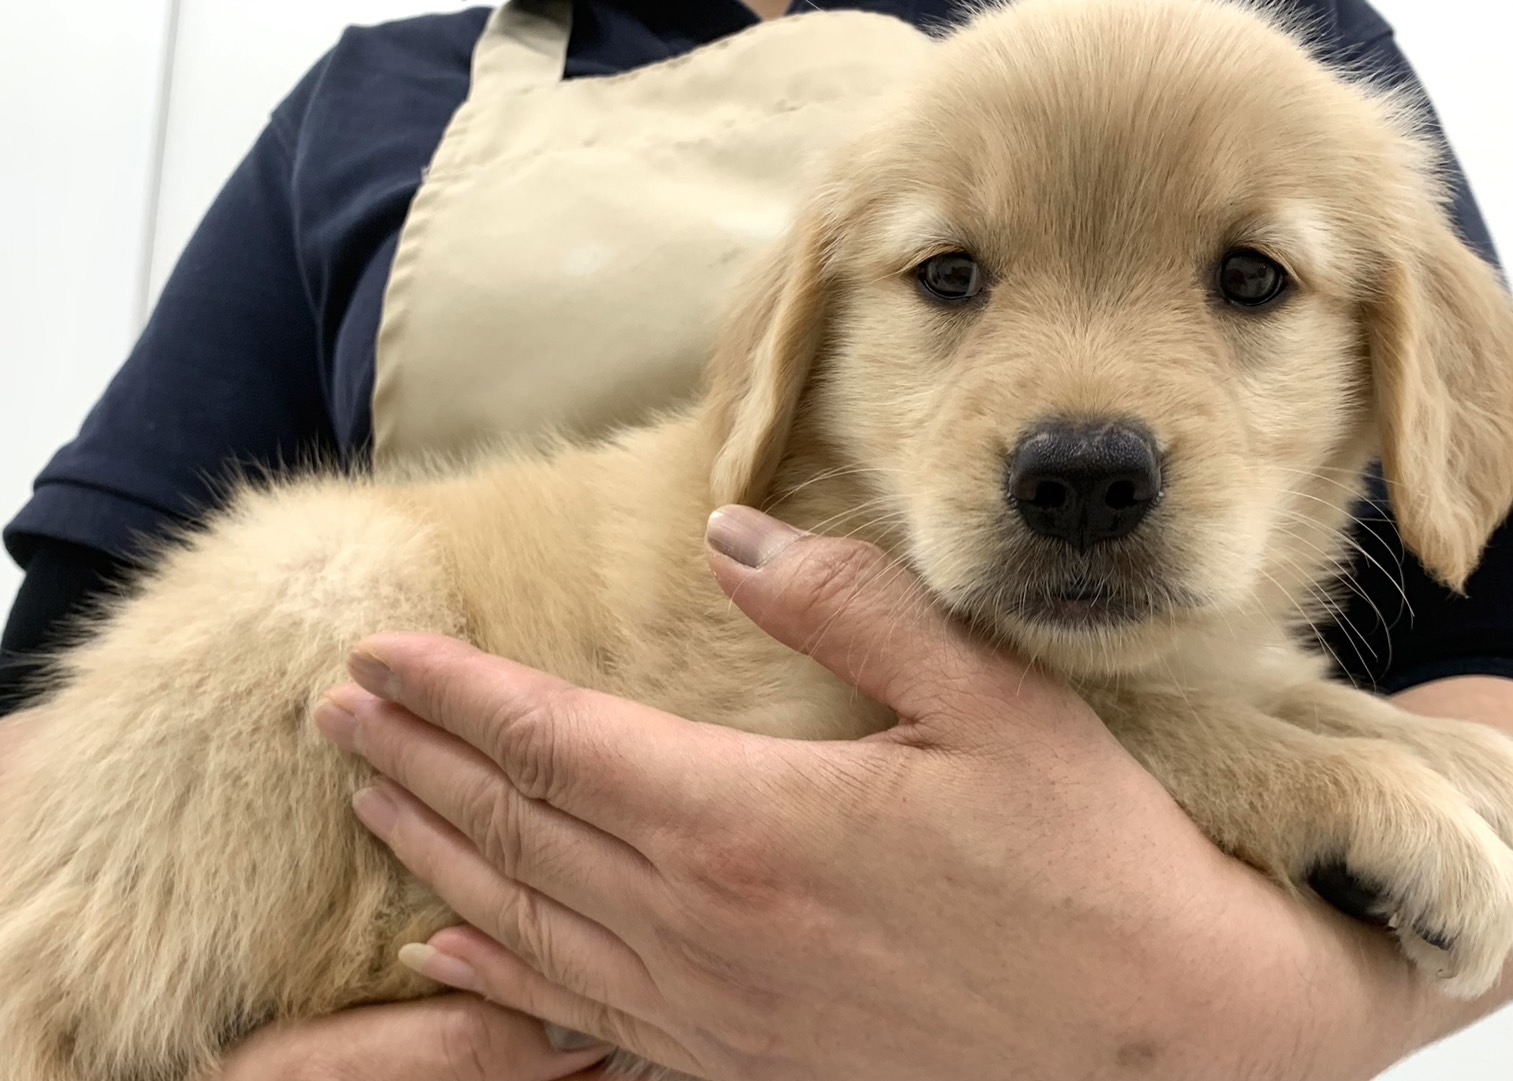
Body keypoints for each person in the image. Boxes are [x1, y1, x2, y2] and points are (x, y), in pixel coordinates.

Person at [0, 0, 1509, 1076]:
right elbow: (42, 730)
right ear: (786, 350)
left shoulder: (1291, 42)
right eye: (949, 272)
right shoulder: (373, 99)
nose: (1083, 435)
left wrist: (1246, 1013)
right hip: (334, 862)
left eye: (1249, 281)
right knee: (313, 587)